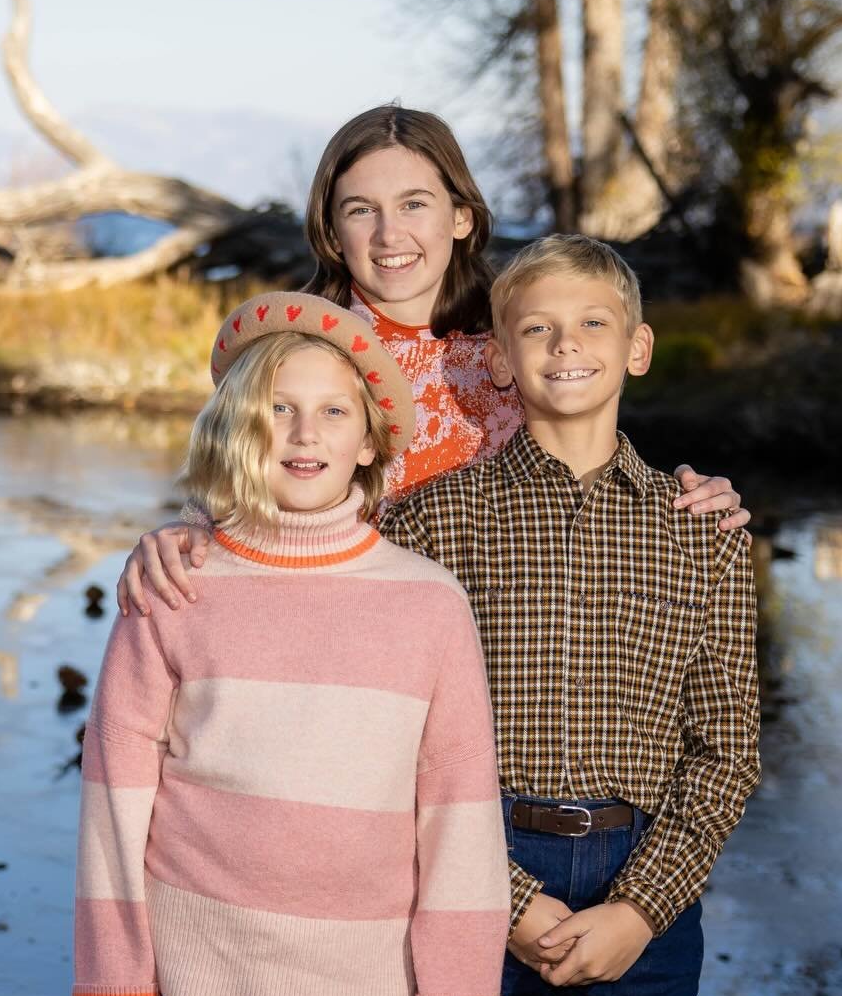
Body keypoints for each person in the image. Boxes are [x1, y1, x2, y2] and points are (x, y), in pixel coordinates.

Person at [68, 293, 510, 996]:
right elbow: (115, 802)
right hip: (208, 983)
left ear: (371, 443)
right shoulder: (175, 589)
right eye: (277, 409)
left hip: (367, 990)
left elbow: (459, 818)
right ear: (237, 428)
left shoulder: (428, 604)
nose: (304, 434)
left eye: (332, 412)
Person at [377, 235, 762, 996]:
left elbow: (727, 751)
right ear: (499, 360)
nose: (565, 346)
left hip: (645, 882)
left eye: (593, 323)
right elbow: (400, 747)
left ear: (637, 348)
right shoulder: (432, 523)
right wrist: (506, 900)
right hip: (481, 876)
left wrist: (640, 910)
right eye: (536, 328)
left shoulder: (704, 535)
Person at [115, 104, 749, 620]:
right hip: (326, 633)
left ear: (462, 217)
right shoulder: (293, 355)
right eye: (361, 210)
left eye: (414, 203)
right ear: (332, 232)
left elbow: (586, 470)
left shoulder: (521, 345)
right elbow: (229, 488)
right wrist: (179, 538)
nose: (390, 234)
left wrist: (686, 500)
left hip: (501, 664)